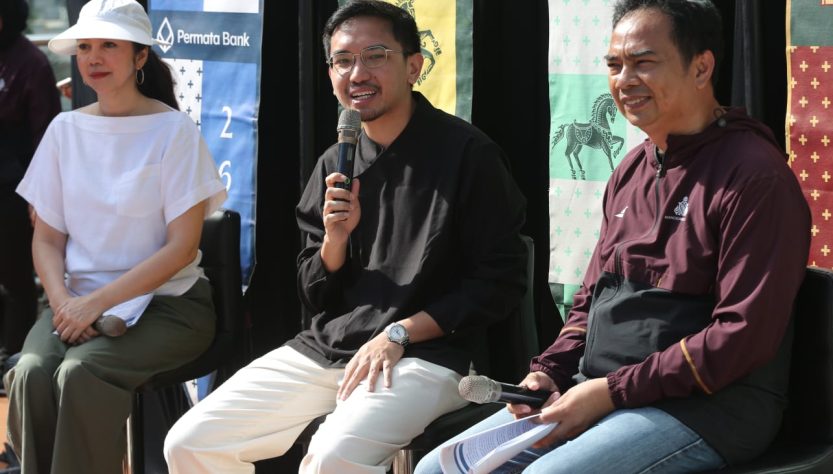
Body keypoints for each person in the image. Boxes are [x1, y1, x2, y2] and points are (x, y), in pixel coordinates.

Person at [416, 0, 811, 473]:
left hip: (708, 408)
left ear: (701, 67)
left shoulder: (755, 177)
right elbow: (591, 298)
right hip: (602, 388)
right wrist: (551, 370)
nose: (625, 80)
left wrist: (611, 392)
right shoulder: (631, 169)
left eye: (644, 63)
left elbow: (741, 337)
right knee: (437, 468)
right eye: (614, 65)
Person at [164, 1, 527, 472]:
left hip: (431, 354)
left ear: (414, 66)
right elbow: (314, 293)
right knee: (191, 441)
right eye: (343, 60)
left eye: (375, 56)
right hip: (334, 346)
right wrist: (335, 240)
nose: (357, 73)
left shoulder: (468, 155)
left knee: (331, 457)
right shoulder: (336, 161)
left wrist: (400, 332)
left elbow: (500, 281)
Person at [6, 0, 227, 472]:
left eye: (109, 45)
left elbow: (182, 248)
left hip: (169, 305)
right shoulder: (64, 129)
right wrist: (65, 302)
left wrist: (94, 304)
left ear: (140, 56)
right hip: (74, 303)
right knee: (29, 372)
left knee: (81, 371)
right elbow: (46, 240)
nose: (94, 57)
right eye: (85, 46)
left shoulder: (174, 132)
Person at [0, 0, 61, 366]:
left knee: (16, 278)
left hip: (14, 190)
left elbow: (45, 137)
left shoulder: (30, 63)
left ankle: (12, 357)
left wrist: (39, 197)